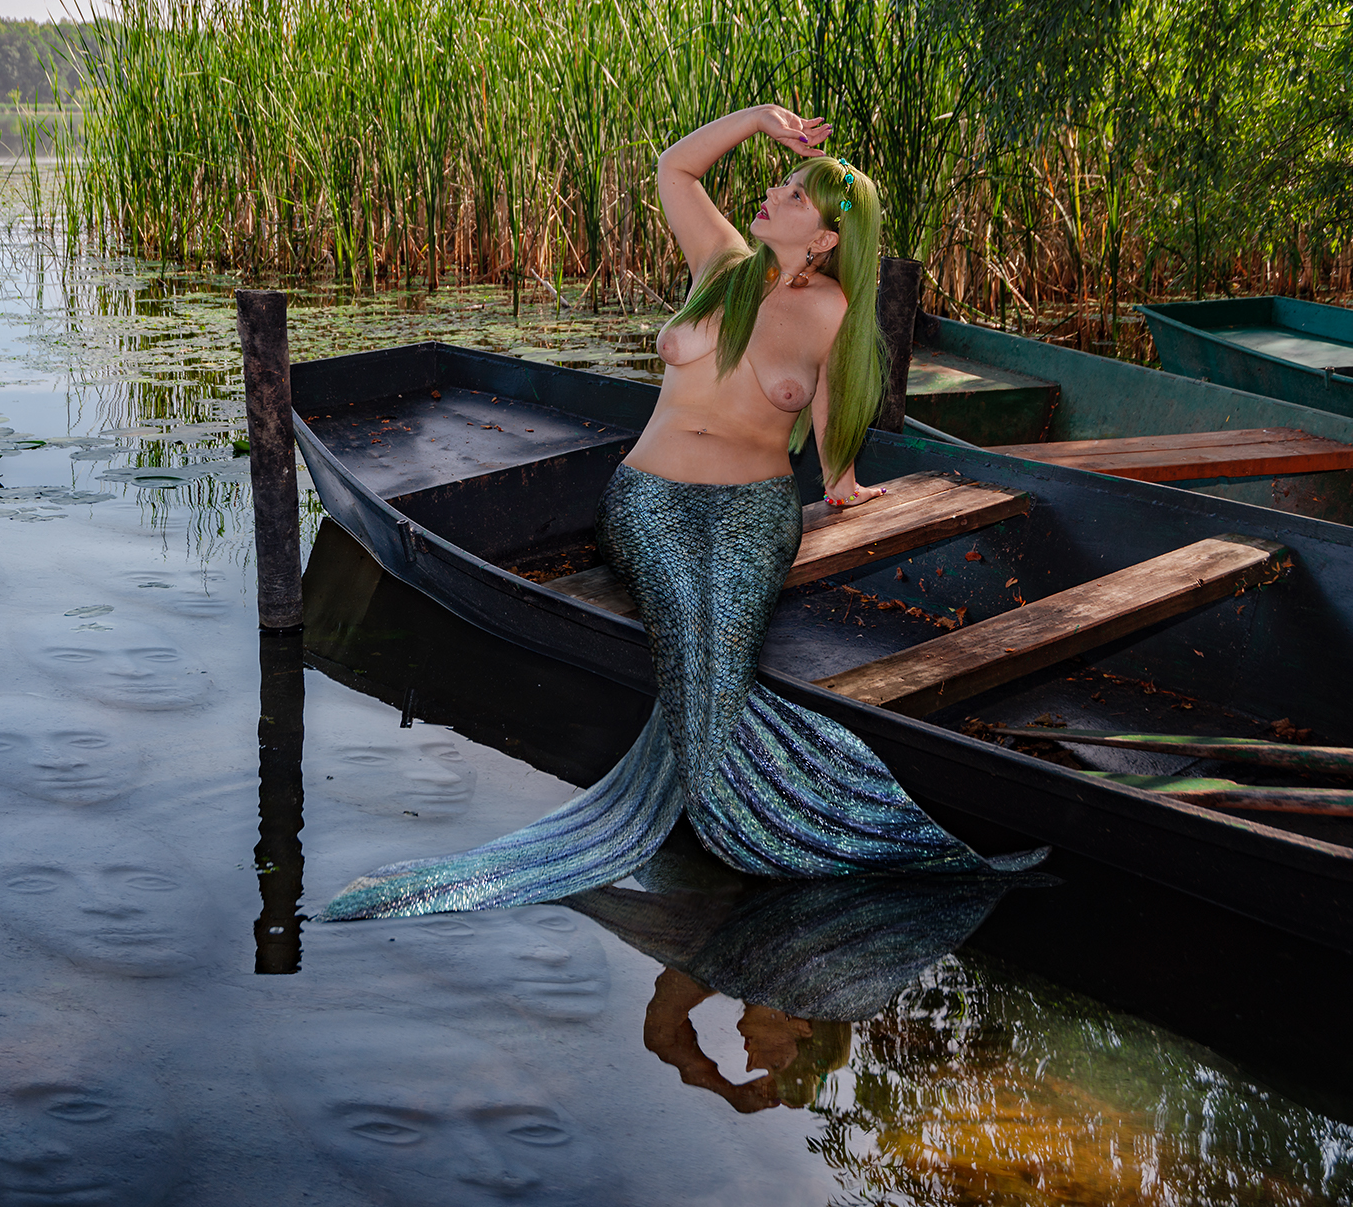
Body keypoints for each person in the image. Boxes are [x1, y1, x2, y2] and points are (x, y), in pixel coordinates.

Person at [318, 105, 1046, 921]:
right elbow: (675, 168)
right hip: (650, 501)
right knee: (694, 641)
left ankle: (771, 826)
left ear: (829, 238)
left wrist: (842, 484)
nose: (771, 193)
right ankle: (801, 832)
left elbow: (835, 424)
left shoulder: (835, 313)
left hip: (753, 510)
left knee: (711, 661)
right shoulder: (722, 263)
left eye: (795, 195)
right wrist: (759, 122)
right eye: (778, 181)